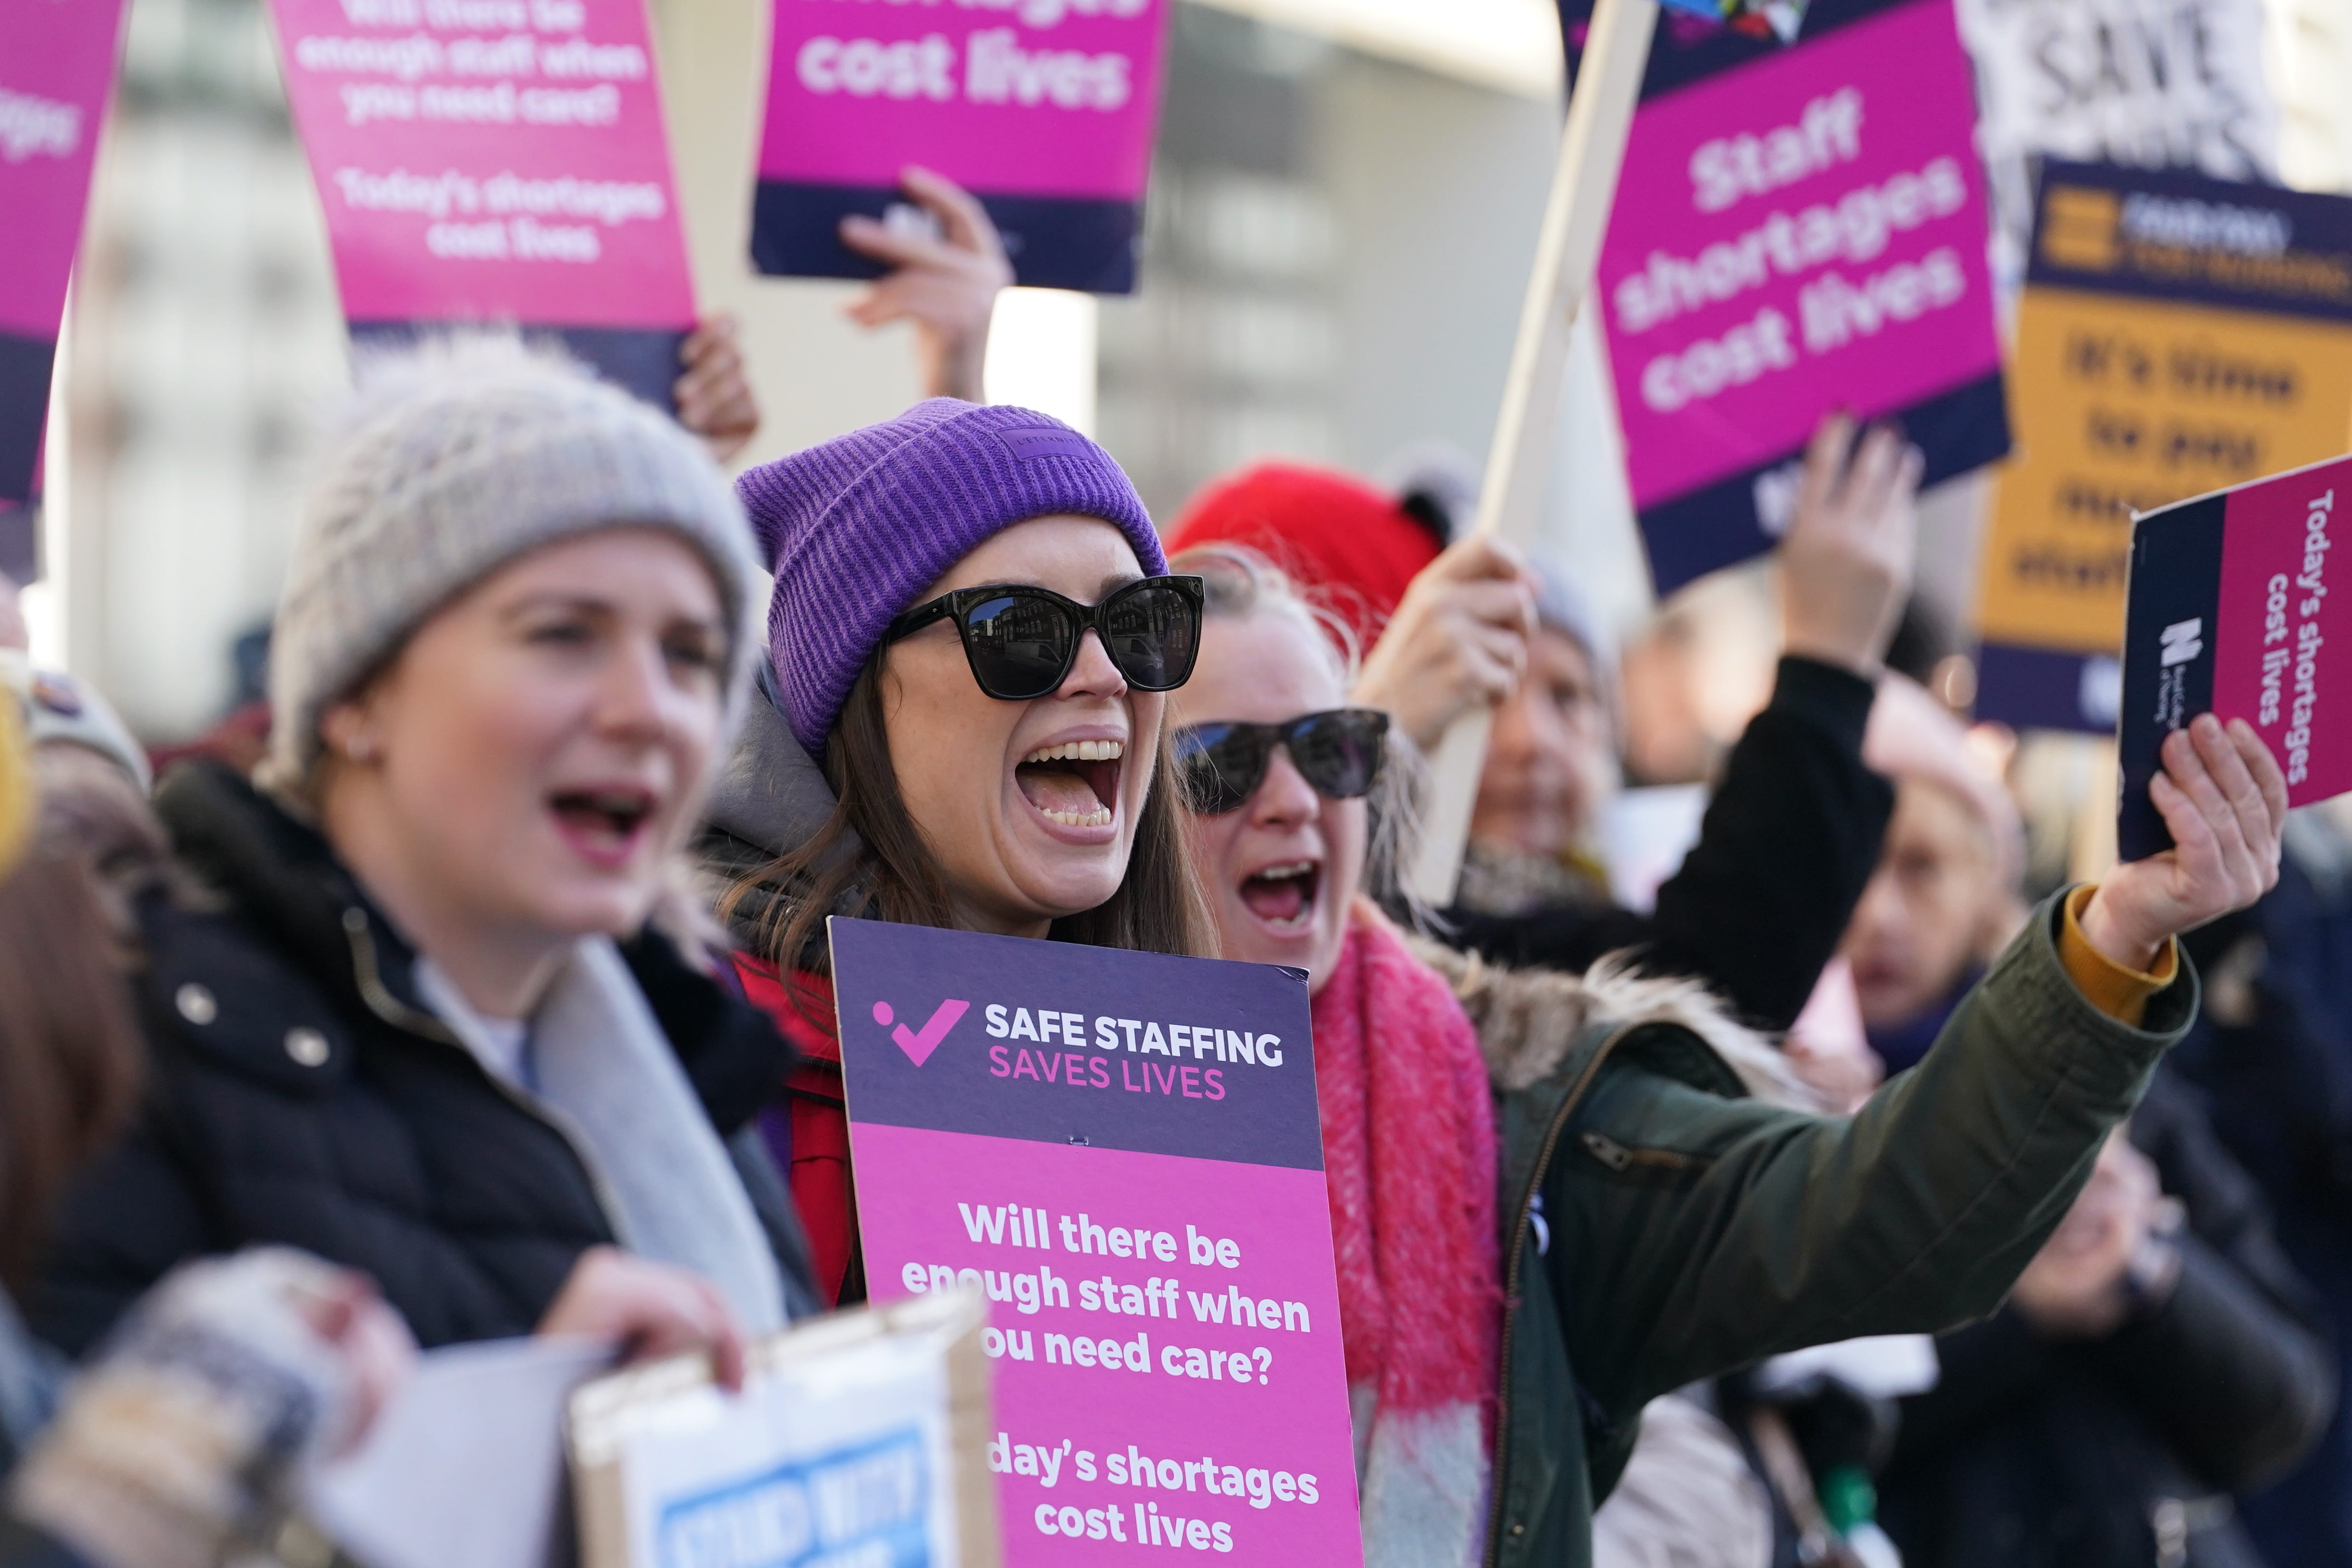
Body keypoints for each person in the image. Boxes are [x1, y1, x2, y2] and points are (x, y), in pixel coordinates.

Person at [1162, 537, 2286, 1568]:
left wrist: (2113, 938)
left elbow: (1878, 1214)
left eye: (1332, 746)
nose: (1293, 796)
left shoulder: (1520, 1094)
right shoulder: (1002, 1088)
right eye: (1219, 760)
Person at [28, 339, 812, 1367]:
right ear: (356, 693)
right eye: (564, 634)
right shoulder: (125, 1039)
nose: (649, 710)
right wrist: (517, 1422)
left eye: (691, 655)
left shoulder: (689, 1048)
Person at [1165, 412, 1918, 1032]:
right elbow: (1705, 976)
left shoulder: (1591, 916)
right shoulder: (1388, 951)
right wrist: (1824, 665)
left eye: (1567, 697)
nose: (1531, 743)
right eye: (1481, 702)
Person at [701, 397, 1211, 1309]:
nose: (1102, 675)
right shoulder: (700, 1046)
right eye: (1020, 631)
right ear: (861, 692)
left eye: (1139, 623)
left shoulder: (1211, 1076)